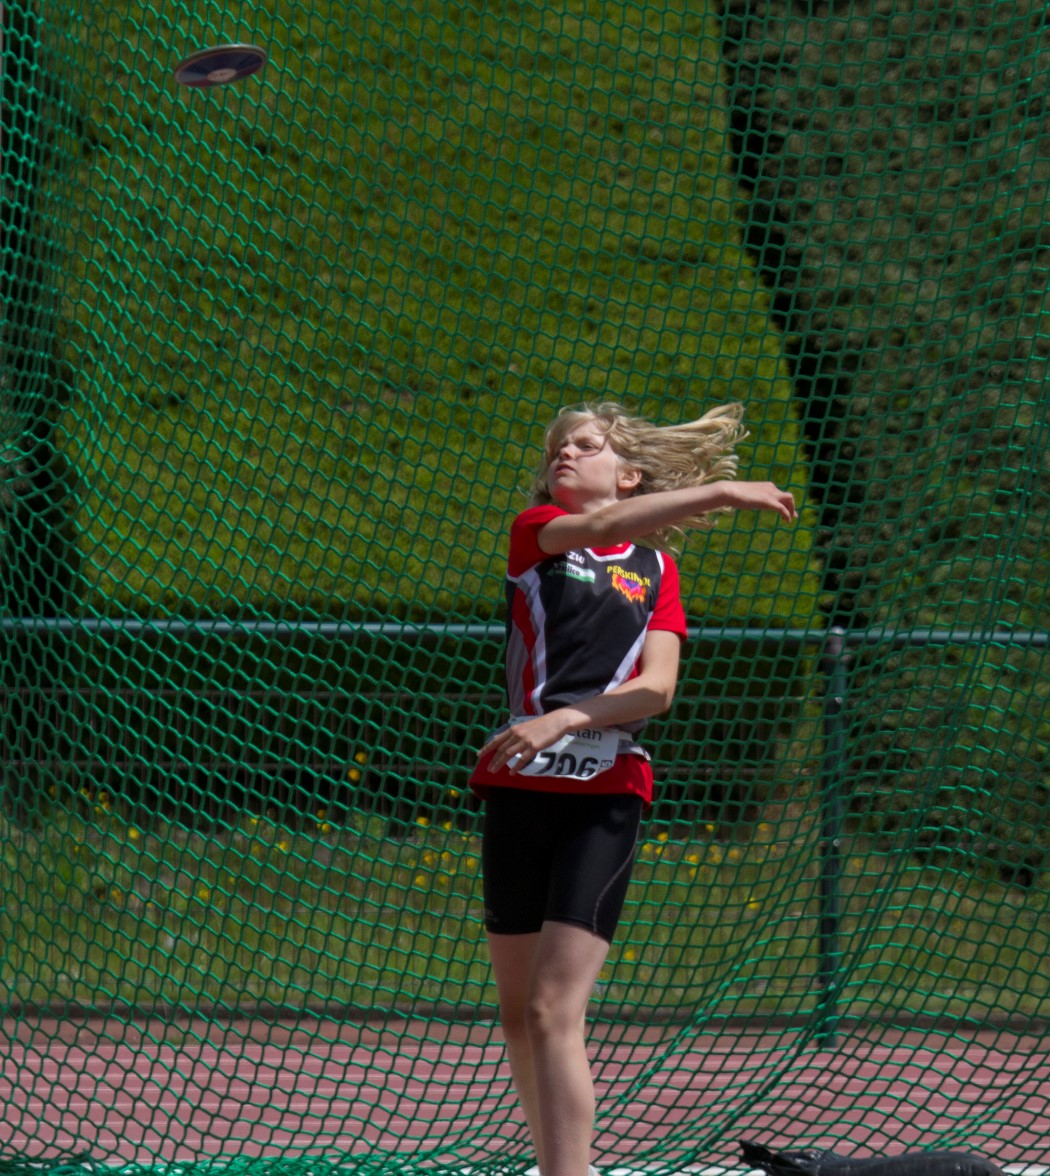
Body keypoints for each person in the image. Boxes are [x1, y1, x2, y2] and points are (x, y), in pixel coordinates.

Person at [470, 401, 796, 1176]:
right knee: (521, 1017)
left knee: (556, 1009)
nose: (566, 454)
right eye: (558, 446)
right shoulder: (539, 533)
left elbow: (656, 690)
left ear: (628, 474)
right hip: (519, 789)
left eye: (587, 446)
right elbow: (584, 532)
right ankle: (553, 1163)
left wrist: (563, 721)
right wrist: (721, 493)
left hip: (605, 792)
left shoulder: (655, 569)